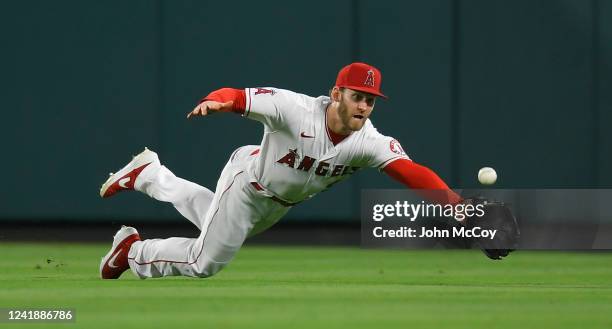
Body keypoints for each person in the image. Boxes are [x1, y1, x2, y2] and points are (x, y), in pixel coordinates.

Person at [98, 62, 464, 280]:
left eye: (370, 100)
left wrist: (456, 205)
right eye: (357, 96)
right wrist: (216, 102)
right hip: (248, 182)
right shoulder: (295, 109)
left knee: (213, 220)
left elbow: (411, 172)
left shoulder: (368, 141)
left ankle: (148, 174)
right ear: (337, 94)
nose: (365, 106)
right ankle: (132, 252)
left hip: (277, 204)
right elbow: (237, 95)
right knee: (203, 262)